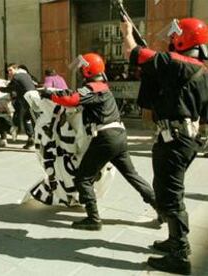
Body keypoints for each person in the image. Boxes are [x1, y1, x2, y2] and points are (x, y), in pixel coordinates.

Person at [121, 17, 208, 275]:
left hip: (175, 140)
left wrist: (127, 31)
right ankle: (174, 241)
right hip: (186, 139)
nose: (171, 40)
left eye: (175, 36)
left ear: (184, 38)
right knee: (169, 190)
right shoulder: (201, 70)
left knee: (170, 195)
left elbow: (132, 52)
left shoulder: (175, 62)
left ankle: (180, 254)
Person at [40, 53, 159, 231]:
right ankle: (161, 209)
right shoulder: (103, 87)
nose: (80, 72)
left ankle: (93, 219)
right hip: (119, 134)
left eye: (82, 69)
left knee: (83, 178)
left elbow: (70, 99)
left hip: (106, 137)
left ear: (87, 70)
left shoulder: (93, 87)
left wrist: (49, 95)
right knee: (132, 175)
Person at [0, 63, 36, 149]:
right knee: (29, 117)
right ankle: (32, 138)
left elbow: (10, 88)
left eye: (10, 70)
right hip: (33, 98)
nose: (9, 72)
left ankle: (34, 137)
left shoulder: (16, 77)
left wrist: (1, 89)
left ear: (16, 69)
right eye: (8, 71)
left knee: (30, 118)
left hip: (28, 99)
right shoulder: (26, 75)